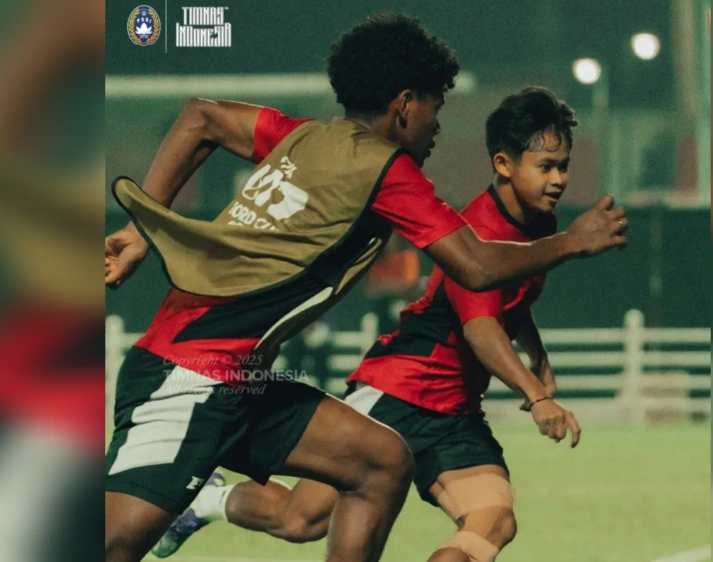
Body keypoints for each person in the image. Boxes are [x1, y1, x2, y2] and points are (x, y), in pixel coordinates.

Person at [104, 12, 628, 562]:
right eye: (435, 108)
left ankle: (205, 503)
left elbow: (202, 117)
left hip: (240, 381)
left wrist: (140, 227)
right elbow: (475, 265)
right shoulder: (388, 171)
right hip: (188, 377)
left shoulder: (302, 137)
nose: (437, 126)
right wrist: (573, 242)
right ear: (404, 104)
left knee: (379, 462)